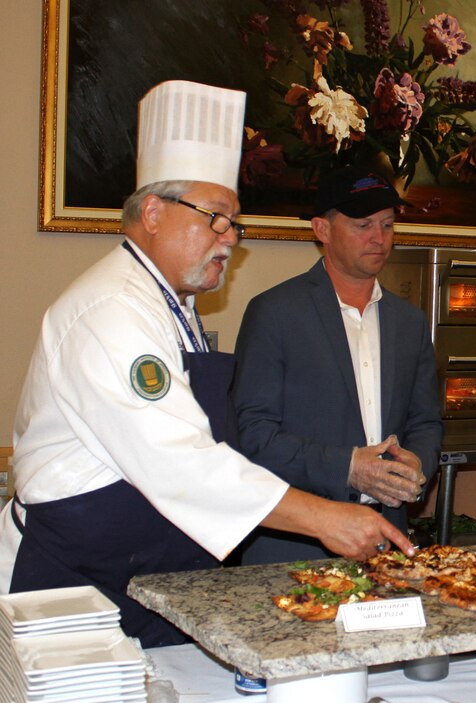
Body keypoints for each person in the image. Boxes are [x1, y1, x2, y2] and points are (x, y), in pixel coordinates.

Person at [0, 81, 412, 647]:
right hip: (76, 580)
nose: (229, 240)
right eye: (215, 218)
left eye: (234, 224)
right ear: (151, 212)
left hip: (148, 570)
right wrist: (325, 518)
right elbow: (179, 461)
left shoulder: (175, 305)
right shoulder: (112, 310)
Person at [231, 168, 443, 564]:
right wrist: (346, 467)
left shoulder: (409, 322)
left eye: (387, 225)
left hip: (385, 539)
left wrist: (418, 463)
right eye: (363, 225)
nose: (378, 238)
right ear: (322, 230)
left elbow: (426, 422)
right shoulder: (275, 313)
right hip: (295, 544)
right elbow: (252, 435)